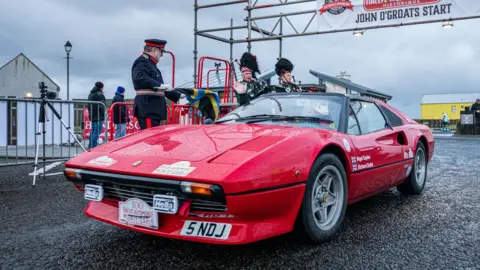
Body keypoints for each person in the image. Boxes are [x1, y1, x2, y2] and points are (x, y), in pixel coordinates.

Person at [131, 39, 181, 129]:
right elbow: (139, 77)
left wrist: (177, 95)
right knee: (150, 140)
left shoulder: (151, 64)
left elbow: (159, 88)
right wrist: (161, 86)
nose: (161, 55)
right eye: (161, 51)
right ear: (154, 49)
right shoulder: (142, 62)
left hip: (153, 109)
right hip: (148, 109)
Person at [87, 81, 106, 148]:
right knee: (97, 132)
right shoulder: (99, 94)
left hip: (92, 115)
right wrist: (104, 114)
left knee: (92, 131)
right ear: (101, 87)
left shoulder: (90, 94)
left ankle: (90, 145)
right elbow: (102, 106)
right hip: (98, 116)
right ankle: (93, 146)